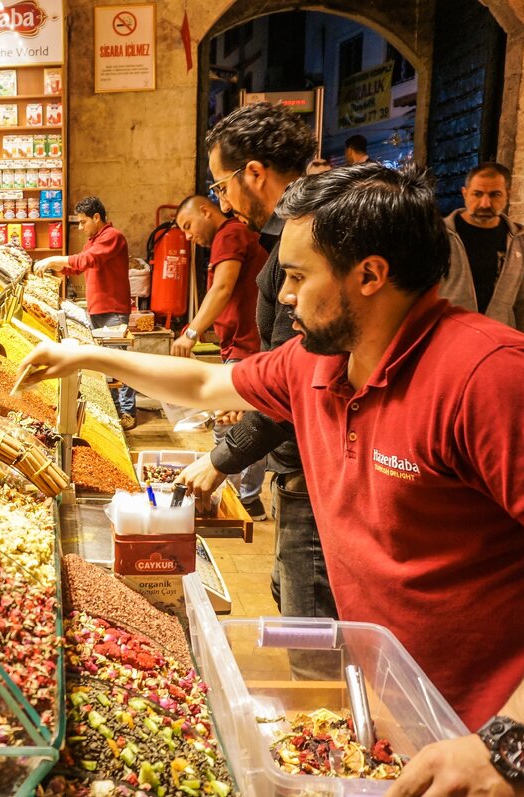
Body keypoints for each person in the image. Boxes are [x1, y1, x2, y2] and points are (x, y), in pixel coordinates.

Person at [17, 163, 524, 797]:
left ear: (370, 275)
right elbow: (206, 383)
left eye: (298, 276)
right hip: (413, 718)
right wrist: (83, 353)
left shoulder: (493, 377)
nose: (285, 295)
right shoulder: (317, 363)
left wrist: (513, 743)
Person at [192, 102, 334, 624]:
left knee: (309, 622)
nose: (224, 203)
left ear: (254, 173)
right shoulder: (283, 238)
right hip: (302, 465)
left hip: (316, 472)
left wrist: (221, 459)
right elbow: (279, 373)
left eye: (221, 186)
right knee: (292, 595)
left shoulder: (302, 239)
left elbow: (298, 379)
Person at [172, 194, 268, 517]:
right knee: (230, 422)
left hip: (247, 348)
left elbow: (222, 288)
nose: (188, 237)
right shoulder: (227, 238)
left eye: (188, 227)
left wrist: (191, 332)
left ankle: (245, 500)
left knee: (241, 426)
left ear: (206, 210)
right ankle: (237, 495)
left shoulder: (229, 234)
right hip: (239, 347)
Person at [33, 196, 135, 428]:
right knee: (107, 364)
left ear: (97, 217)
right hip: (97, 308)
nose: (80, 228)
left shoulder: (112, 237)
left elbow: (88, 260)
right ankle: (116, 412)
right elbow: (78, 265)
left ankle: (128, 412)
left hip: (113, 310)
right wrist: (54, 269)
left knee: (120, 361)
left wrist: (53, 259)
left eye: (82, 222)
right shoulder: (94, 239)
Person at [439, 162, 524, 334]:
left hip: (498, 343)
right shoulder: (438, 235)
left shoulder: (519, 240)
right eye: (477, 194)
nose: (485, 203)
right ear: (465, 193)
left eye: (495, 195)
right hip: (449, 341)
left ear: (508, 195)